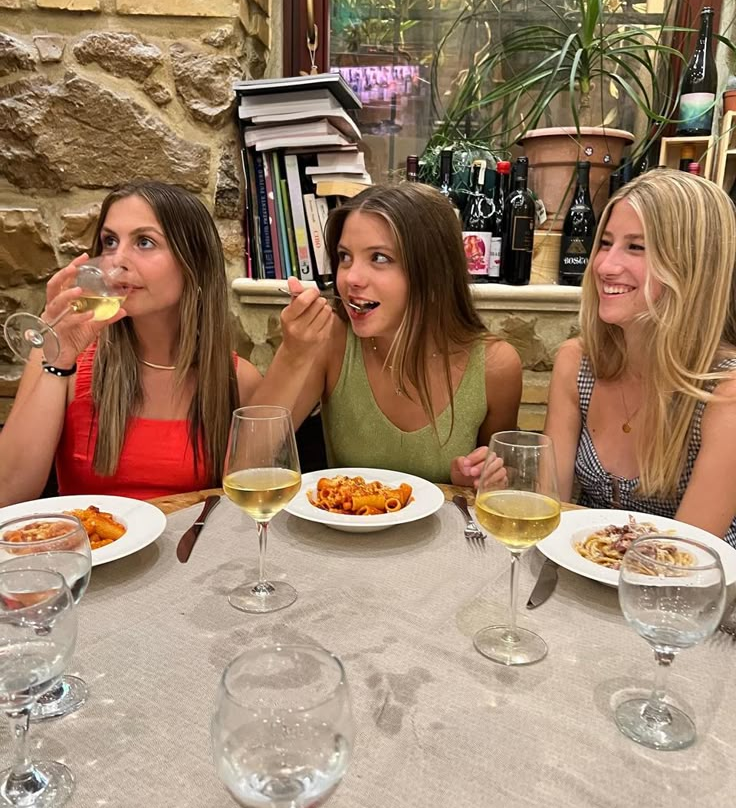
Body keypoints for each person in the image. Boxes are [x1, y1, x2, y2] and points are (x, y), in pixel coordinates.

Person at [0, 180, 261, 505]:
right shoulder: (60, 357)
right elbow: (7, 492)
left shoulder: (239, 380)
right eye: (110, 242)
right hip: (91, 552)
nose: (116, 260)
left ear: (193, 264)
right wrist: (60, 358)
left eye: (145, 242)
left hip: (191, 554)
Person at [251, 182, 522, 485]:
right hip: (341, 531)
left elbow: (506, 480)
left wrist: (478, 476)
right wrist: (293, 353)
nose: (350, 278)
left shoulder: (495, 366)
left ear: (434, 272)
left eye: (379, 258)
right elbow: (246, 464)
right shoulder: (331, 340)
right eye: (344, 257)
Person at [544, 168, 736, 544]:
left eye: (636, 247)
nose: (604, 266)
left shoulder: (724, 393)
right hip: (589, 577)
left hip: (692, 593)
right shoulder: (578, 362)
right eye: (606, 243)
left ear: (694, 265)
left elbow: (683, 559)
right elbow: (549, 508)